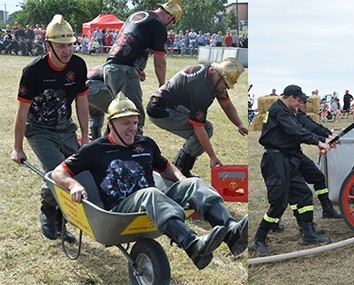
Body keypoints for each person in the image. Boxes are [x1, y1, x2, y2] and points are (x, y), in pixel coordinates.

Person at [50, 94, 249, 269]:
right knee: (150, 193)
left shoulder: (145, 144)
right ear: (111, 124)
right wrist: (74, 184)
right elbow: (58, 173)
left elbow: (165, 167)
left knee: (193, 182)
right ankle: (193, 245)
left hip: (153, 203)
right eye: (125, 123)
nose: (132, 128)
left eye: (135, 122)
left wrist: (181, 180)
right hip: (121, 210)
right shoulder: (95, 149)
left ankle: (231, 232)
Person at [11, 14, 89, 244]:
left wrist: (84, 137)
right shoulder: (33, 70)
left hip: (65, 127)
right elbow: (22, 112)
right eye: (61, 45)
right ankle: (50, 213)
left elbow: (82, 103)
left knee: (76, 171)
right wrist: (17, 148)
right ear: (48, 45)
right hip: (39, 129)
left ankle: (54, 213)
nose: (67, 51)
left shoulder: (78, 65)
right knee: (58, 173)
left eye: (70, 45)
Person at [251, 85, 331, 254]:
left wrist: (324, 137)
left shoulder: (288, 111)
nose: (301, 104)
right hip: (275, 160)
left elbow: (305, 127)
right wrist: (318, 142)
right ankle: (259, 239)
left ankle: (308, 233)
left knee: (303, 194)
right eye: (299, 100)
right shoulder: (279, 111)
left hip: (288, 158)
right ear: (291, 97)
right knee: (279, 203)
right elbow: (296, 131)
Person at [146, 57, 248, 177]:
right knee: (206, 128)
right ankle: (180, 169)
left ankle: (179, 168)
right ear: (217, 74)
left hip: (162, 104)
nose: (225, 88)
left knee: (204, 129)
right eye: (225, 84)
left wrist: (239, 124)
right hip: (161, 111)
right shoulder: (202, 89)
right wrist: (212, 156)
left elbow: (226, 105)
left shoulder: (211, 77)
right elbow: (198, 128)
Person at [104, 0, 183, 134]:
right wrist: (162, 85)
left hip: (110, 67)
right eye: (172, 24)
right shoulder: (158, 25)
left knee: (119, 115)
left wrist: (138, 69)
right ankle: (133, 151)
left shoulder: (137, 15)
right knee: (134, 117)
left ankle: (107, 148)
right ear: (170, 17)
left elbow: (132, 41)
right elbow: (159, 61)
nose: (169, 27)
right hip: (125, 71)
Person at [86, 65, 114, 139]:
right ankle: (106, 140)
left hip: (84, 89)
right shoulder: (118, 68)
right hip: (96, 87)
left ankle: (96, 140)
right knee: (117, 114)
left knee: (95, 115)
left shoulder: (102, 67)